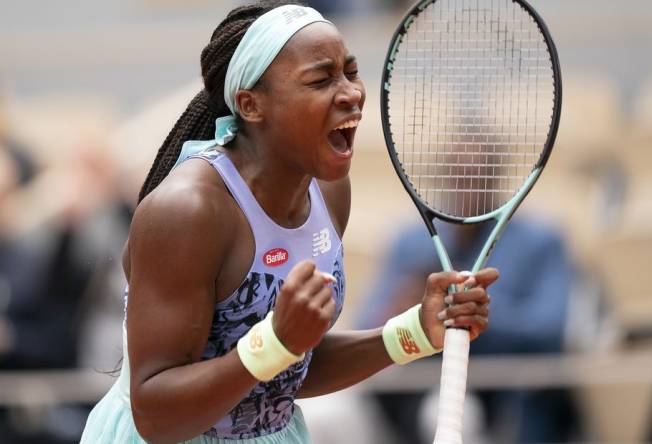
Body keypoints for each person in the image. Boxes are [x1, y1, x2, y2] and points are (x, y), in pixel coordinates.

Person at [80, 2, 497, 443]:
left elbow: (287, 373)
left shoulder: (331, 191)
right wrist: (273, 344)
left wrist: (416, 330)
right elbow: (157, 415)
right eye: (321, 79)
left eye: (350, 72)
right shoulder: (189, 211)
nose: (351, 93)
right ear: (251, 105)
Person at [357, 218, 580, 443]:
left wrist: (472, 311)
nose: (464, 182)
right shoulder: (408, 241)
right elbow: (367, 326)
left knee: (455, 416)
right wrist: (407, 313)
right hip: (410, 394)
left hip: (501, 396)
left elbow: (549, 330)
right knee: (330, 414)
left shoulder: (542, 242)